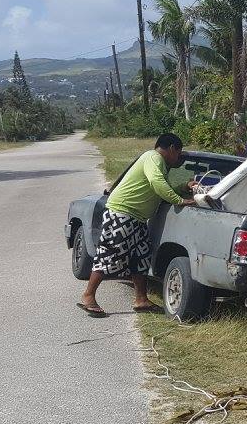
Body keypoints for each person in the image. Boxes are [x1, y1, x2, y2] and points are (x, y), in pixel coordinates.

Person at [77, 133, 194, 317]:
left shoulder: (160, 165)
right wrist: (179, 200)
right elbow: (157, 183)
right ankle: (88, 295)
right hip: (122, 212)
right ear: (172, 148)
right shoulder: (152, 157)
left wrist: (183, 187)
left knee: (141, 256)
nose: (178, 159)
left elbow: (162, 188)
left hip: (136, 218)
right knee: (110, 253)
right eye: (178, 154)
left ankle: (141, 299)